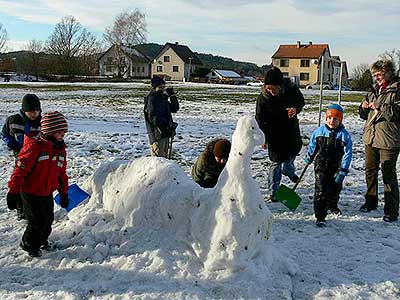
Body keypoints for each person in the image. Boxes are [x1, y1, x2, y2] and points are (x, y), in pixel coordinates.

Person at [6, 111, 69, 257]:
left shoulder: (60, 150)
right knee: (36, 222)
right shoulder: (34, 147)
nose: (63, 135)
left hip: (46, 193)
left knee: (47, 221)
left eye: (64, 132)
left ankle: (41, 240)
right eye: (60, 132)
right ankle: (29, 244)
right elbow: (19, 171)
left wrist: (64, 192)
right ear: (50, 131)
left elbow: (61, 174)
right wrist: (13, 191)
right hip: (30, 192)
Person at [358, 60, 400, 222]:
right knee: (370, 171)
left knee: (388, 173)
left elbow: (397, 112)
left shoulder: (397, 89)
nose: (376, 78)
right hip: (371, 137)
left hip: (389, 139)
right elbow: (362, 114)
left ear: (388, 73)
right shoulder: (373, 89)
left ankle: (391, 210)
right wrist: (364, 107)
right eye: (374, 75)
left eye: (379, 75)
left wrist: (381, 107)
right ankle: (370, 201)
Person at [255, 67, 305, 202]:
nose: (271, 91)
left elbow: (301, 101)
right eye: (268, 88)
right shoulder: (262, 99)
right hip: (273, 133)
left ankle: (288, 171)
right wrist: (263, 138)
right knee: (276, 162)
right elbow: (259, 119)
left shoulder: (291, 90)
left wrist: (295, 109)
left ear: (281, 86)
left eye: (274, 88)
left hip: (290, 131)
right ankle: (273, 191)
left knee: (292, 155)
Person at [305, 104, 352, 227]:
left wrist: (343, 170)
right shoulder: (319, 132)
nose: (332, 121)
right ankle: (320, 215)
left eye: (335, 119)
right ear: (326, 118)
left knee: (334, 188)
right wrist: (309, 157)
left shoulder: (344, 135)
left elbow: (348, 154)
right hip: (320, 164)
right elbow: (313, 146)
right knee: (320, 189)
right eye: (329, 118)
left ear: (340, 120)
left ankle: (332, 205)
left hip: (336, 166)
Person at [1, 93, 42, 220]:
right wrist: (10, 143)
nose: (34, 113)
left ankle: (34, 203)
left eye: (36, 110)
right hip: (20, 156)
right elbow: (4, 133)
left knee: (35, 180)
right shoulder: (14, 120)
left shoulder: (42, 122)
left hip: (37, 157)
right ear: (24, 110)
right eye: (30, 111)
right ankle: (20, 207)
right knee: (20, 179)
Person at [144, 76, 179, 158]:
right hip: (157, 135)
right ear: (154, 88)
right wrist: (167, 124)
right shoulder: (151, 99)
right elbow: (152, 118)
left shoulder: (163, 99)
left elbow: (174, 108)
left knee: (164, 160)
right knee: (157, 162)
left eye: (163, 87)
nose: (162, 89)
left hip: (165, 133)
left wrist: (173, 96)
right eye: (160, 87)